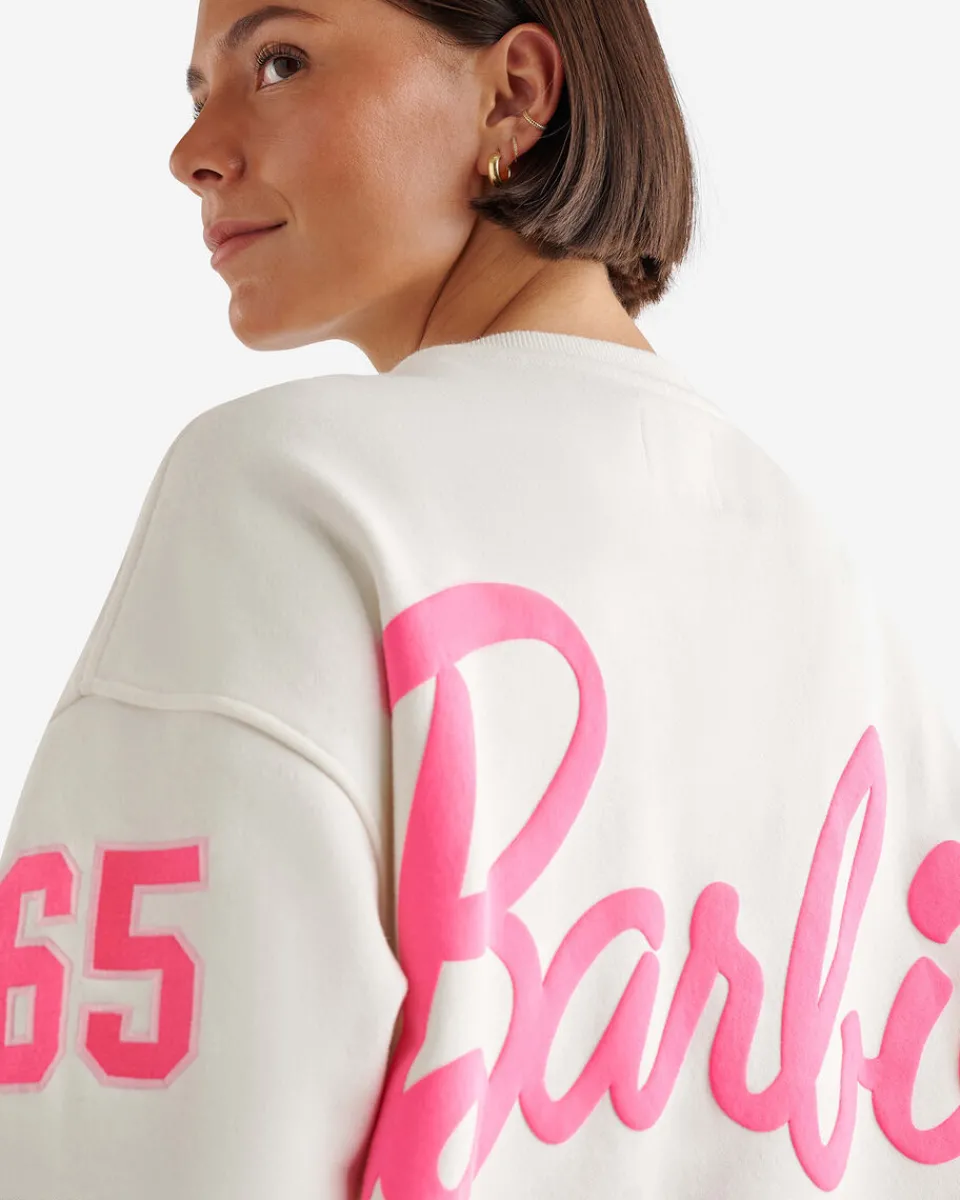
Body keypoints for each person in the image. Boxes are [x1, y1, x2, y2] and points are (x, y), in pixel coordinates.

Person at [1, 2, 958, 1198]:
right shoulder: (857, 604)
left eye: (280, 61)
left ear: (513, 96)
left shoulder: (291, 497)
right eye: (197, 92)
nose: (193, 150)